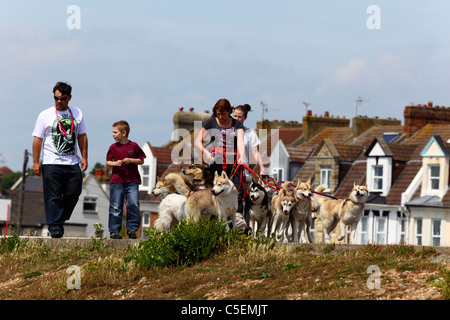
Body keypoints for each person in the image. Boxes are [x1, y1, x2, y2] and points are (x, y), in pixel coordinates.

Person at [32, 81, 88, 238]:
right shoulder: (45, 115)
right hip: (51, 162)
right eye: (56, 98)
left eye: (62, 98)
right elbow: (38, 139)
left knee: (74, 192)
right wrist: (36, 162)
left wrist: (84, 157)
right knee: (54, 195)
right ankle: (55, 226)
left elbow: (82, 136)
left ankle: (59, 218)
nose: (59, 101)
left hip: (72, 162)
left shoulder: (77, 113)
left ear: (69, 97)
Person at [195, 98, 246, 217]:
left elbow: (240, 142)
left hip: (233, 162)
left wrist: (242, 157)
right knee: (216, 190)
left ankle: (237, 220)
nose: (220, 116)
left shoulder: (237, 124)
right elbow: (198, 141)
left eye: (223, 114)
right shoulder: (210, 122)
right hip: (216, 161)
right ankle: (215, 217)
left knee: (236, 189)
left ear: (229, 111)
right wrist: (206, 153)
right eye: (218, 114)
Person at [106, 120, 146, 239]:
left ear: (124, 133)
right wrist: (116, 163)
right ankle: (114, 231)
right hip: (117, 181)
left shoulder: (134, 146)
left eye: (115, 132)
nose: (113, 134)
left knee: (133, 204)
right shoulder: (112, 147)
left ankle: (132, 230)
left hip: (132, 181)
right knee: (115, 206)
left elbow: (141, 160)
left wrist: (131, 160)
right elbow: (108, 162)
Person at [232, 104, 266, 177]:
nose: (236, 119)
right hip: (228, 171)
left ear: (245, 117)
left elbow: (255, 151)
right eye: (235, 116)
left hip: (243, 171)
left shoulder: (250, 133)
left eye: (239, 117)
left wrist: (262, 167)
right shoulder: (226, 131)